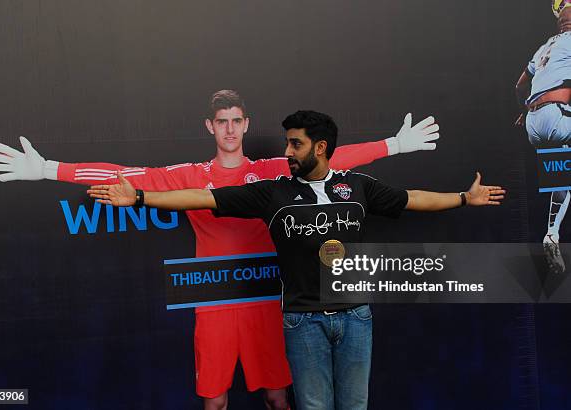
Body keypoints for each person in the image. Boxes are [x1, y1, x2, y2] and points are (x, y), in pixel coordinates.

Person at [0, 91, 440, 410]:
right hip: (216, 300)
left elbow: (339, 162)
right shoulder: (190, 175)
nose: (229, 128)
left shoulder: (271, 172)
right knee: (215, 398)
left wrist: (394, 144)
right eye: (220, 121)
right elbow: (125, 173)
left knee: (280, 397)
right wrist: (49, 168)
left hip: (269, 299)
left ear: (245, 124)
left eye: (236, 120)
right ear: (211, 126)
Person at [87, 110, 505, 410]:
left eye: (295, 143)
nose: (287, 150)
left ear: (320, 148)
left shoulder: (357, 187)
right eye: (287, 142)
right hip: (302, 319)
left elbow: (412, 198)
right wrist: (140, 197)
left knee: (356, 405)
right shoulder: (273, 192)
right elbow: (202, 196)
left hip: (356, 316)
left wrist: (465, 198)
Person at [515, 1, 571, 272]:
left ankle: (552, 234)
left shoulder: (545, 46)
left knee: (562, 177)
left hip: (534, 124)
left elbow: (520, 85)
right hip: (558, 116)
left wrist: (523, 110)